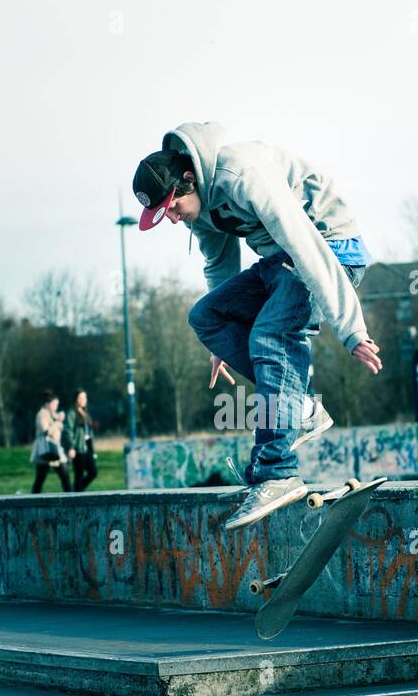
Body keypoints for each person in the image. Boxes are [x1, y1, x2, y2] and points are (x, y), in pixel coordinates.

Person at [131, 120, 381, 530]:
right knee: (206, 316)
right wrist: (220, 344)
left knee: (272, 336)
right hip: (280, 262)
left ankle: (277, 471)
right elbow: (220, 265)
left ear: (189, 179)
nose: (174, 218)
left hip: (329, 248)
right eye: (164, 214)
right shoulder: (198, 208)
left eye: (173, 207)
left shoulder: (242, 175)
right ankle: (299, 408)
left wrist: (350, 326)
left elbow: (305, 243)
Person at [30, 391, 70, 493]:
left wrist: (60, 419)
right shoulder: (41, 414)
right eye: (55, 404)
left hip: (55, 450)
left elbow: (62, 427)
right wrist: (57, 423)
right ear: (48, 404)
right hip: (45, 450)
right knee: (40, 479)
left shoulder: (53, 414)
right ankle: (33, 500)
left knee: (65, 476)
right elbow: (45, 431)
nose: (56, 406)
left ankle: (70, 498)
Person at [62, 389, 97, 492]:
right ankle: (77, 495)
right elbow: (68, 431)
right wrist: (71, 447)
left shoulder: (85, 412)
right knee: (79, 475)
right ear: (75, 399)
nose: (83, 400)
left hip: (87, 446)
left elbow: (89, 431)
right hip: (78, 448)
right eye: (80, 397)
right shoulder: (72, 413)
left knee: (93, 472)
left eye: (84, 397)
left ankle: (78, 491)